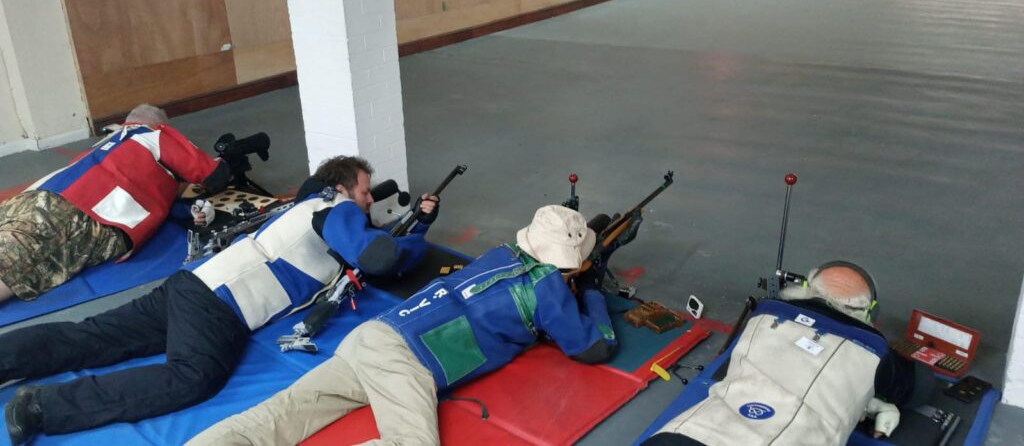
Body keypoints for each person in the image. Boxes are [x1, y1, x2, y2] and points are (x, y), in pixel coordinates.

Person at [1, 156, 440, 445]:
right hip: (218, 307)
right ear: (343, 188)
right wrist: (416, 240)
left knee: (95, 336)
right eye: (366, 192)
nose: (368, 202)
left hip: (190, 285)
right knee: (194, 377)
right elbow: (378, 256)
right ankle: (44, 406)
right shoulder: (337, 208)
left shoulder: (301, 208)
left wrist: (415, 224)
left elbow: (365, 252)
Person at [187, 205, 619, 446]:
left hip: (375, 335)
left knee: (280, 415)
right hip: (409, 362)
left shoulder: (501, 253)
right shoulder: (549, 287)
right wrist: (594, 292)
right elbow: (593, 348)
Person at [643, 261, 936, 446]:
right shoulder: (875, 352)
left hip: (686, 436)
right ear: (870, 312)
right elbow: (921, 385)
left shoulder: (761, 317)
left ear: (806, 288)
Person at [0, 104, 230, 303]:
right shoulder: (156, 134)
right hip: (81, 213)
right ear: (160, 125)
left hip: (34, 196)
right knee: (12, 263)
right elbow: (215, 176)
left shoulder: (109, 139)